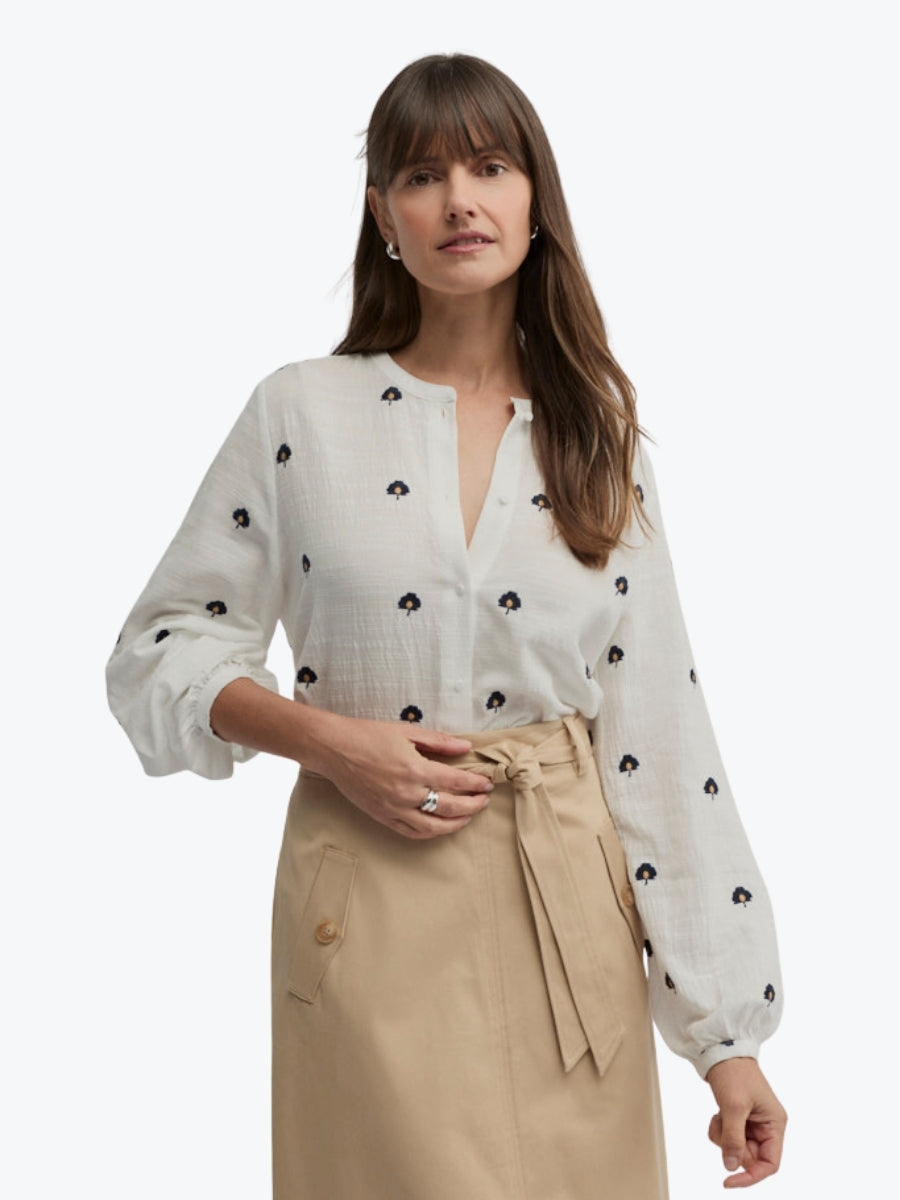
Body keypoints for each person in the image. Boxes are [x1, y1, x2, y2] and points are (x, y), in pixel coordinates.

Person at [107, 53, 785, 1199]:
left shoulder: (599, 437)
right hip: (368, 918)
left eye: (490, 167)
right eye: (422, 176)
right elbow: (161, 649)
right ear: (384, 217)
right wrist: (329, 742)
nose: (460, 200)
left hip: (568, 922)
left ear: (536, 198)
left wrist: (729, 1043)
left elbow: (659, 737)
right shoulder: (301, 412)